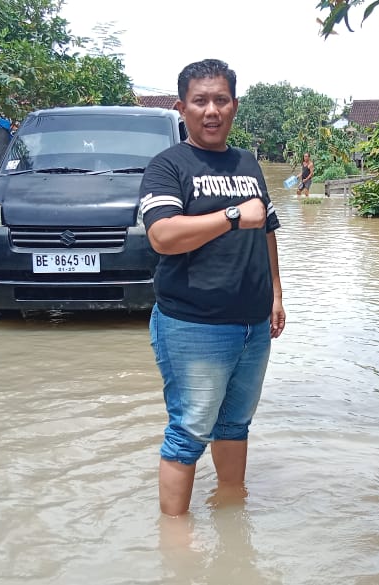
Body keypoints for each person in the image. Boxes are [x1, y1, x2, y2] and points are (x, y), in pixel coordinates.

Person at [138, 59, 286, 516]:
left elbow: (267, 232)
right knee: (188, 431)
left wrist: (277, 295)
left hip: (252, 323)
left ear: (234, 106)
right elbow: (162, 235)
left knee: (235, 424)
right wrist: (232, 216)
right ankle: (176, 538)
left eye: (220, 100)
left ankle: (230, 510)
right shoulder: (168, 166)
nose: (211, 110)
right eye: (200, 101)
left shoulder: (248, 163)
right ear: (182, 107)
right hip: (192, 324)